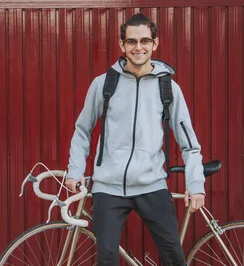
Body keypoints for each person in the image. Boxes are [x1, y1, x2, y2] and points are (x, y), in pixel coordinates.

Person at [64, 13, 205, 265]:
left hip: (152, 184)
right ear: (122, 45)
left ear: (155, 43)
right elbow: (82, 130)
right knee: (106, 256)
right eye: (131, 41)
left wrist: (195, 184)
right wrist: (74, 170)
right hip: (108, 186)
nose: (138, 47)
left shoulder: (168, 88)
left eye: (144, 41)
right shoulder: (103, 84)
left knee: (173, 256)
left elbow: (189, 144)